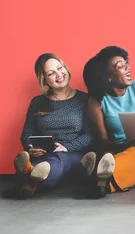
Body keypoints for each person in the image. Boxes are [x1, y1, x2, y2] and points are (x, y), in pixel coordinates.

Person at [7, 53, 93, 199]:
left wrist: (67, 147)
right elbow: (27, 133)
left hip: (72, 153)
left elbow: (90, 134)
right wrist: (30, 148)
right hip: (44, 153)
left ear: (66, 68)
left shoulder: (84, 99)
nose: (59, 74)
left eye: (60, 68)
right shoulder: (37, 102)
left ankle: (28, 178)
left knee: (58, 161)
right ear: (45, 80)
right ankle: (32, 173)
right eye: (51, 73)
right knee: (38, 161)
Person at [84, 46, 135, 198]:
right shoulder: (97, 101)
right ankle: (101, 178)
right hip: (117, 148)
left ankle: (97, 176)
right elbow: (101, 139)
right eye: (120, 66)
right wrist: (124, 145)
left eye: (126, 63)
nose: (127, 67)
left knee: (134, 155)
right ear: (108, 77)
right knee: (108, 154)